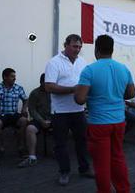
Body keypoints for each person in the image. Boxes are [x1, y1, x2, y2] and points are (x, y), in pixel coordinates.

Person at [75, 34, 135, 193]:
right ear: (112, 49)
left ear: (96, 49)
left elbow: (79, 99)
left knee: (101, 164)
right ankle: (123, 190)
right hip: (119, 121)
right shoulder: (123, 68)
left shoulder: (89, 70)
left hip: (99, 123)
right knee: (118, 157)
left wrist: (86, 93)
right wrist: (114, 95)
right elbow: (131, 93)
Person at [45, 34, 92, 186]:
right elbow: (49, 86)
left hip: (78, 110)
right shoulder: (54, 62)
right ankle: (64, 172)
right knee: (61, 144)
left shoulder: (83, 62)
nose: (77, 50)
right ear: (66, 45)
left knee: (82, 141)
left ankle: (84, 169)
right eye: (74, 46)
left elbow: (87, 83)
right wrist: (73, 89)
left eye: (79, 47)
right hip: (60, 112)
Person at [18, 73, 51, 168]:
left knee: (63, 125)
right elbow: (32, 110)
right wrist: (41, 121)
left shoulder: (55, 92)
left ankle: (58, 150)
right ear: (41, 82)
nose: (49, 85)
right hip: (39, 119)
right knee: (30, 129)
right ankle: (32, 157)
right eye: (46, 83)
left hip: (53, 118)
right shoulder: (35, 93)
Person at [0, 68, 28, 158]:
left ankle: (21, 147)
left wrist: (24, 109)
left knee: (24, 121)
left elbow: (25, 99)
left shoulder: (18, 88)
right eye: (12, 76)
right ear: (5, 77)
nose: (14, 78)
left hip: (14, 114)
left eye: (15, 76)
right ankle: (0, 148)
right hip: (1, 115)